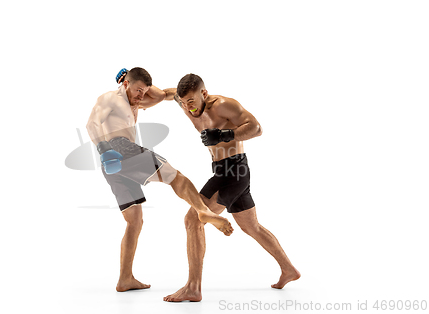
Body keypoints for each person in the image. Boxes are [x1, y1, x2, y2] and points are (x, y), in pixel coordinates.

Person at [86, 68, 234, 293]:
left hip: (113, 167)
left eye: (143, 91)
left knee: (134, 221)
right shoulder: (110, 98)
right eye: (138, 90)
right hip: (118, 150)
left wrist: (190, 97)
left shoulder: (134, 101)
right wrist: (103, 147)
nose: (141, 95)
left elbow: (163, 94)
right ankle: (202, 210)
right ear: (125, 83)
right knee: (176, 177)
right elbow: (92, 123)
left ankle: (125, 278)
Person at [162, 73, 300, 302]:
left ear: (204, 94)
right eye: (184, 103)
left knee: (194, 219)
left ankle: (193, 288)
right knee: (252, 226)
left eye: (192, 102)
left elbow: (256, 128)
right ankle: (289, 270)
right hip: (225, 171)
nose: (189, 108)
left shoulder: (223, 105)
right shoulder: (185, 102)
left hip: (233, 171)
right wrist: (136, 92)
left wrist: (226, 134)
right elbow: (165, 94)